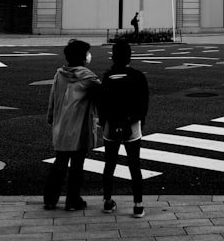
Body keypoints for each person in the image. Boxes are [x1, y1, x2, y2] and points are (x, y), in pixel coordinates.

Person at [44, 39, 100, 211]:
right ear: (82, 57)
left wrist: (51, 117)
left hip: (61, 126)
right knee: (77, 165)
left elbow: (53, 97)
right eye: (87, 53)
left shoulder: (60, 74)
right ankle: (72, 200)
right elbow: (103, 94)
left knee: (60, 162)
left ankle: (50, 199)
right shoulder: (88, 77)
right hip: (79, 127)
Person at [99, 39, 150, 218]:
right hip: (132, 125)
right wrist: (137, 121)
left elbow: (102, 103)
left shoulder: (107, 77)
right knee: (134, 165)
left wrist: (104, 122)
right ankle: (138, 205)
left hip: (111, 125)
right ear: (129, 56)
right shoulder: (138, 77)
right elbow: (143, 103)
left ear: (113, 57)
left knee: (109, 164)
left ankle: (107, 201)